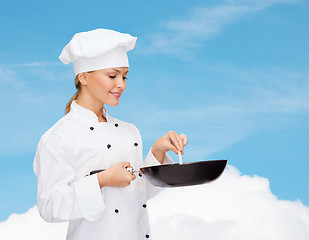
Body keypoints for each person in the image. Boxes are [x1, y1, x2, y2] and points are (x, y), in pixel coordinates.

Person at [33, 28, 187, 240]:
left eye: (124, 76)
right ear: (84, 77)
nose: (121, 84)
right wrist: (101, 180)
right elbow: (50, 207)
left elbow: (139, 195)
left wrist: (158, 151)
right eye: (112, 75)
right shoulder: (59, 137)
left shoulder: (129, 131)